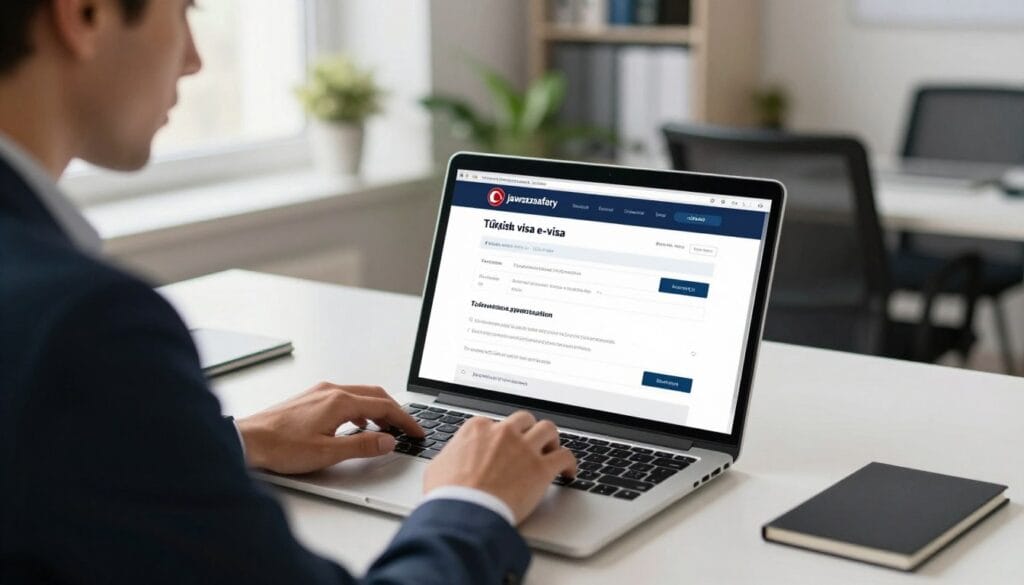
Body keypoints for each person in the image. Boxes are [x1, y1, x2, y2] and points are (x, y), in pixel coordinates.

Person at [0, 1, 577, 583]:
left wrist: (229, 443)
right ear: (85, 14)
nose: (196, 60)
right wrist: (473, 502)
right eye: (182, 12)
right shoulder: (86, 323)